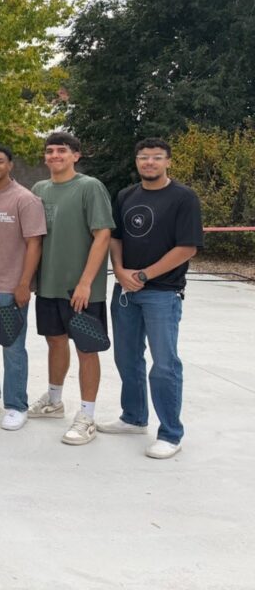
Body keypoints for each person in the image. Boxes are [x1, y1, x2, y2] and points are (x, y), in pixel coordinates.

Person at [99, 138, 202, 459]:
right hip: (126, 291)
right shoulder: (126, 195)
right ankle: (133, 417)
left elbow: (187, 247)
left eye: (157, 158)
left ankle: (171, 433)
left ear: (168, 162)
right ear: (137, 162)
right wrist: (119, 270)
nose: (149, 163)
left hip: (163, 293)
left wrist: (144, 275)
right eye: (143, 157)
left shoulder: (183, 198)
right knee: (126, 358)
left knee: (165, 365)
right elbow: (115, 238)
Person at [29, 132, 114, 446]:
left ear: (76, 155)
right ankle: (54, 400)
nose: (54, 156)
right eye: (49, 151)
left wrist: (85, 282)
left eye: (61, 151)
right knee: (55, 342)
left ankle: (87, 416)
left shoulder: (90, 187)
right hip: (48, 286)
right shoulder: (39, 189)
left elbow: (102, 236)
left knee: (87, 350)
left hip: (81, 290)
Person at [0, 145, 47, 430]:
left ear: (10, 165)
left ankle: (16, 405)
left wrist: (24, 283)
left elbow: (34, 244)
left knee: (13, 346)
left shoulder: (25, 200)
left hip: (11, 285)